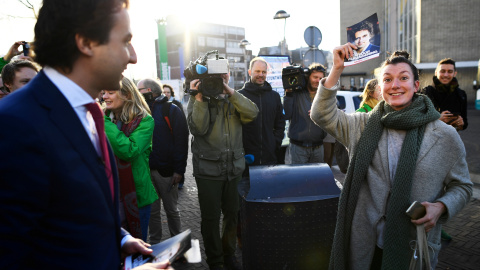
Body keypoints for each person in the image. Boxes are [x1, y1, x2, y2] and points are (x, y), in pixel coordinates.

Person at [0, 0, 169, 269]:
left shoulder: (90, 112)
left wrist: (120, 239)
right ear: (86, 42)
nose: (133, 56)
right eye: (125, 40)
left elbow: (72, 212)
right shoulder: (15, 124)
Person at [310, 43, 472, 269]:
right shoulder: (362, 124)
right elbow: (321, 114)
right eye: (387, 80)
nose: (394, 85)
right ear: (380, 87)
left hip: (412, 245)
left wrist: (441, 207)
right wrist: (336, 69)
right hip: (365, 244)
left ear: (416, 85)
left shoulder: (445, 135)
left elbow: (463, 186)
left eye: (403, 78)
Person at [187, 69, 258, 270]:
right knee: (210, 219)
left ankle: (228, 254)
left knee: (232, 215)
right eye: (215, 77)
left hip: (233, 169)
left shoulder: (233, 99)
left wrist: (229, 91)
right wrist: (199, 96)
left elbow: (252, 113)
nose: (219, 80)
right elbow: (198, 128)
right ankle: (215, 260)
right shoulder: (197, 99)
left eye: (223, 76)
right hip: (208, 171)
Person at [103, 77, 158, 242]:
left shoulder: (146, 121)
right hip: (109, 195)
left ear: (126, 94)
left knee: (136, 249)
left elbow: (129, 151)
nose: (104, 96)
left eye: (110, 92)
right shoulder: (104, 117)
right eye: (103, 92)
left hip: (137, 197)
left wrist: (102, 122)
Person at [148, 78, 189, 244]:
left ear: (150, 92)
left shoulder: (171, 109)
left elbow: (181, 141)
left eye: (140, 89)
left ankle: (177, 243)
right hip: (147, 170)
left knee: (171, 210)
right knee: (152, 212)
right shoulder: (138, 110)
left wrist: (179, 170)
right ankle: (155, 245)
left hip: (167, 171)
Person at [239, 57, 285, 167]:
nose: (261, 75)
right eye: (257, 71)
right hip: (246, 157)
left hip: (269, 155)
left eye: (264, 72)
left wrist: (274, 143)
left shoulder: (274, 96)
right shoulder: (240, 96)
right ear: (250, 72)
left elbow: (280, 123)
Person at [283, 63, 328, 164]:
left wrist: (321, 114)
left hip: (318, 147)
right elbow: (286, 114)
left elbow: (333, 114)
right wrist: (288, 94)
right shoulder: (296, 93)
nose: (318, 81)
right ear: (308, 77)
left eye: (321, 78)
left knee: (316, 179)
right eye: (315, 77)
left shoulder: (325, 95)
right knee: (299, 178)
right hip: (298, 148)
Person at [421, 58, 468, 131]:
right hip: (429, 137)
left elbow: (465, 123)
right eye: (442, 71)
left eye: (449, 71)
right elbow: (418, 119)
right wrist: (437, 119)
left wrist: (461, 123)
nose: (446, 75)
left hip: (452, 137)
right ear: (436, 73)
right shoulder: (425, 92)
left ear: (454, 73)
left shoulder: (461, 94)